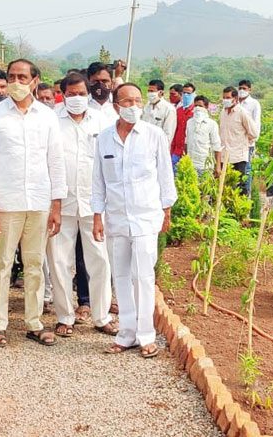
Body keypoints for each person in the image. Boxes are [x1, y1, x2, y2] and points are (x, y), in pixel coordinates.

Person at [0, 58, 66, 348]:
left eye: (22, 77)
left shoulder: (47, 117)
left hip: (39, 202)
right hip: (6, 202)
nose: (16, 82)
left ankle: (34, 322)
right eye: (11, 76)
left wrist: (56, 206)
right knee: (2, 264)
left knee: (34, 264)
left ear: (35, 80)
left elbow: (56, 162)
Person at [92, 83, 176, 359]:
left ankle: (146, 336)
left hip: (145, 216)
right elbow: (98, 181)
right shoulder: (104, 138)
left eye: (137, 101)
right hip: (116, 217)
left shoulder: (154, 136)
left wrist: (166, 211)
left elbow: (165, 175)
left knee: (143, 275)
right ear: (116, 105)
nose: (133, 106)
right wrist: (97, 216)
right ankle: (126, 334)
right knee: (121, 276)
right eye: (127, 102)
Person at [47, 73, 117, 338]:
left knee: (99, 260)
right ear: (62, 94)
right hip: (60, 203)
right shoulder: (51, 121)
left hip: (94, 204)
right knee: (60, 261)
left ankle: (101, 316)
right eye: (71, 93)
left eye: (81, 93)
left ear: (88, 93)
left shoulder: (103, 122)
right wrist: (53, 203)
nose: (76, 98)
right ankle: (65, 316)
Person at [220, 86, 257, 180]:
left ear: (235, 98)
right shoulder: (223, 113)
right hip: (224, 156)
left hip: (238, 157)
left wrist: (241, 141)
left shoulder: (242, 113)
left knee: (239, 186)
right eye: (224, 97)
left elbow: (253, 133)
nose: (225, 100)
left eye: (228, 98)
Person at [185, 95, 222, 176]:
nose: (197, 108)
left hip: (205, 166)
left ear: (206, 107)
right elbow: (187, 142)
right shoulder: (190, 122)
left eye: (200, 106)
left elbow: (217, 146)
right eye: (196, 106)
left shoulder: (212, 124)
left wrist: (218, 166)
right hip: (191, 164)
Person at [238, 79, 262, 195]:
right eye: (240, 88)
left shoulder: (254, 104)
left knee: (246, 170)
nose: (242, 90)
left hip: (248, 143)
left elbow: (256, 123)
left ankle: (246, 196)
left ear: (249, 90)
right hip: (235, 144)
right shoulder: (235, 102)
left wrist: (252, 139)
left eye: (244, 88)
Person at [142, 79, 177, 144]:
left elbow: (168, 134)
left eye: (152, 91)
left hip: (158, 146)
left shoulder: (169, 109)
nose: (149, 93)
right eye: (148, 91)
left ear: (161, 92)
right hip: (144, 144)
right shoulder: (146, 106)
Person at [170, 83, 196, 166]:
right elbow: (174, 131)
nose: (186, 95)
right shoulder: (178, 111)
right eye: (184, 93)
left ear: (193, 94)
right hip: (176, 151)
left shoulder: (196, 112)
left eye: (188, 93)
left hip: (189, 152)